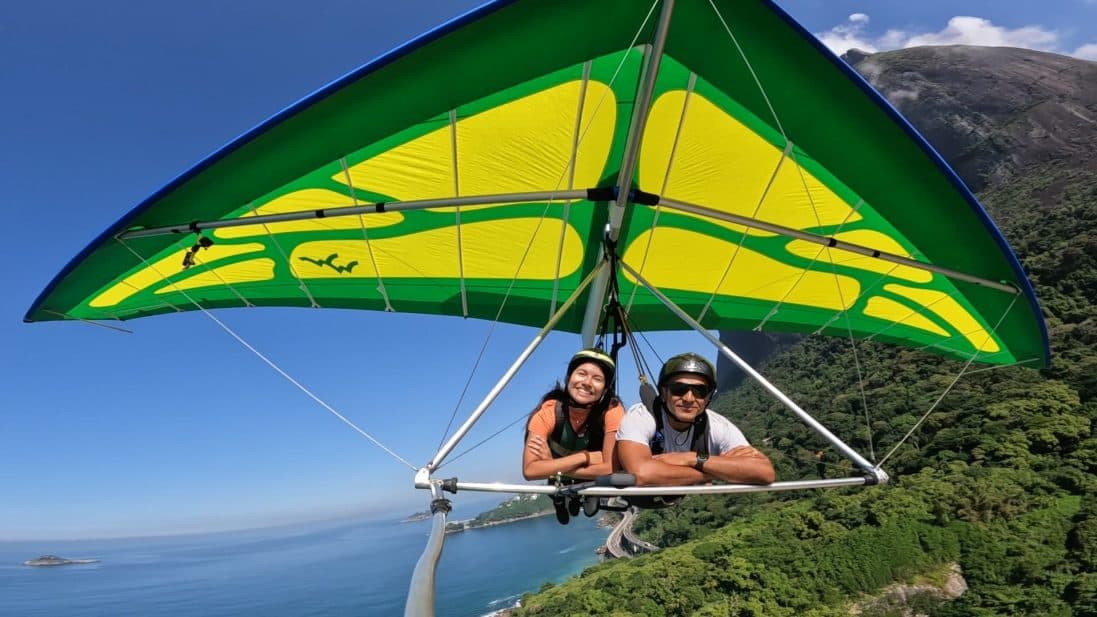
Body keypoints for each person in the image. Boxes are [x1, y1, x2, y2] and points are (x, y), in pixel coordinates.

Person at [616, 352, 775, 487]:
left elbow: (764, 472)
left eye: (700, 391)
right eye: (679, 389)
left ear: (708, 397)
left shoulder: (716, 425)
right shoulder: (642, 416)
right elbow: (641, 473)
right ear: (664, 393)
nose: (689, 398)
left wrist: (690, 458)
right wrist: (714, 472)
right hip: (641, 498)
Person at [523, 348, 625, 523]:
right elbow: (530, 470)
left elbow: (610, 468)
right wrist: (585, 457)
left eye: (597, 379)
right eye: (581, 374)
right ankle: (560, 501)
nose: (587, 382)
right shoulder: (549, 412)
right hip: (580, 469)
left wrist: (552, 467)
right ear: (569, 377)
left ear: (605, 388)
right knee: (559, 494)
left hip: (572, 472)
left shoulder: (612, 410)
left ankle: (579, 495)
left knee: (585, 502)